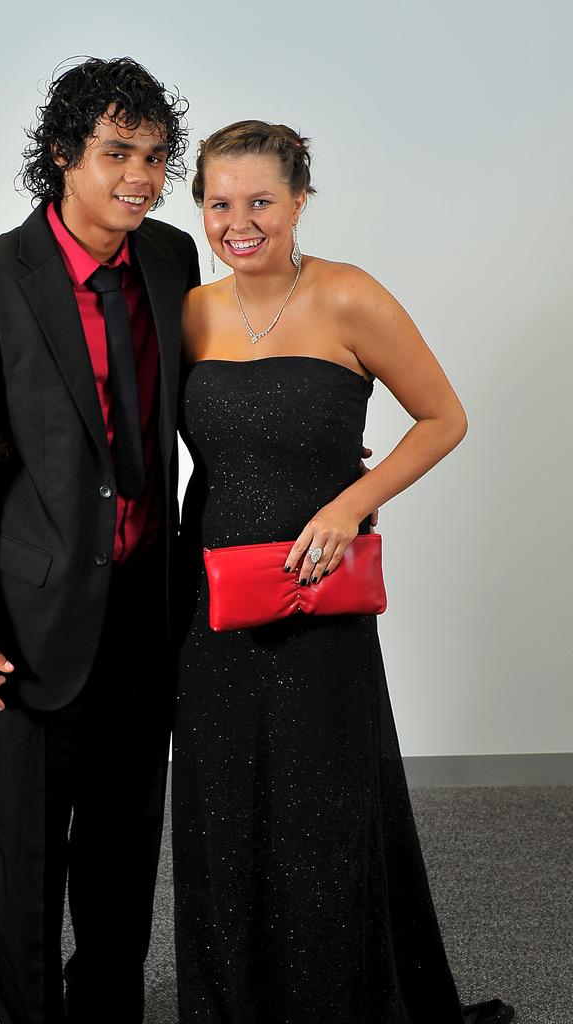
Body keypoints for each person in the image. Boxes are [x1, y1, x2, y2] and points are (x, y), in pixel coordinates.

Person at [173, 120, 514, 1024]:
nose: (238, 223)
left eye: (260, 203)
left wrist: (351, 499)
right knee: (224, 813)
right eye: (218, 203)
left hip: (321, 601)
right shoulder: (192, 311)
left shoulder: (350, 296)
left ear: (299, 202)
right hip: (210, 606)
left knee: (322, 815)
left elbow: (443, 418)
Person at [0, 57, 199, 1024]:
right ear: (64, 157)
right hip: (28, 622)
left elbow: (199, 401)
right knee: (28, 853)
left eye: (156, 157)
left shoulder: (168, 260)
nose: (142, 177)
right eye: (118, 153)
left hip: (146, 609)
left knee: (124, 848)